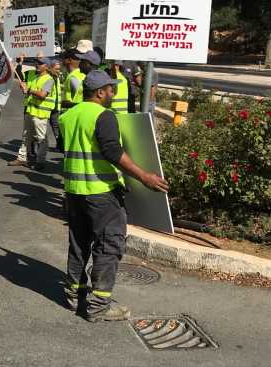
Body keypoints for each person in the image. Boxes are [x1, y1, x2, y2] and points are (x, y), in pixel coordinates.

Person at [59, 70, 168, 322]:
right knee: (109, 246)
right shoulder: (103, 115)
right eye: (110, 89)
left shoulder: (69, 115)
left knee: (78, 244)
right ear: (99, 92)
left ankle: (75, 295)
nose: (113, 93)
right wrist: (144, 176)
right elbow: (111, 151)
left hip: (75, 192)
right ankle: (99, 305)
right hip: (101, 192)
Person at [9, 54, 44, 167]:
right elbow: (20, 77)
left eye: (40, 62)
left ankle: (38, 159)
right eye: (36, 62)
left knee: (39, 137)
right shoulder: (30, 73)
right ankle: (23, 157)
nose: (36, 64)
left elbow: (44, 94)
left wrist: (29, 89)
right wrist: (19, 64)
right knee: (26, 135)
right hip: (29, 107)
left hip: (41, 110)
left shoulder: (48, 77)